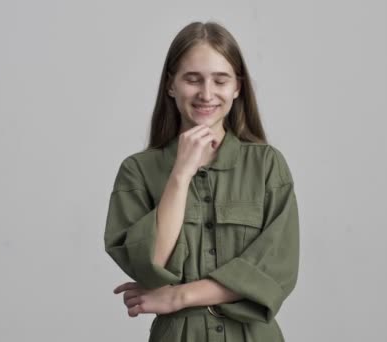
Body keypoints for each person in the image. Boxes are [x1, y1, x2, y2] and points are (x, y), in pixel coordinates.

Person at [104, 21, 300, 342]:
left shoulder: (267, 165)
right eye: (192, 79)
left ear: (237, 87)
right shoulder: (137, 171)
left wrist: (178, 296)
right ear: (171, 85)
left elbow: (274, 271)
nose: (206, 94)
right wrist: (180, 175)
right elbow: (150, 266)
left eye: (220, 80)